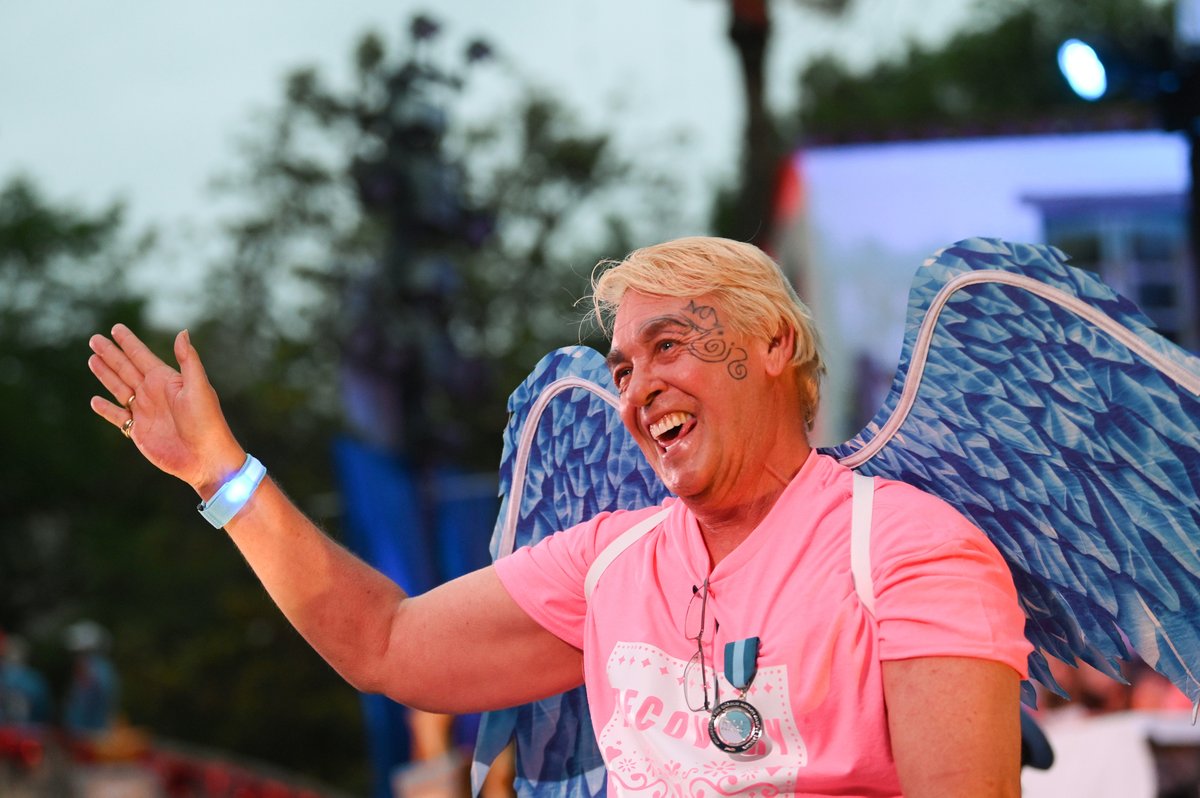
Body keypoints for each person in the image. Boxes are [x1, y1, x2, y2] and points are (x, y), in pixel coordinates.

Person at [87, 236, 1031, 796]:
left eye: (670, 346)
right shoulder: (608, 563)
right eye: (623, 368)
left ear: (775, 341)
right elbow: (385, 643)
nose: (638, 389)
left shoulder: (906, 549)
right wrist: (223, 476)